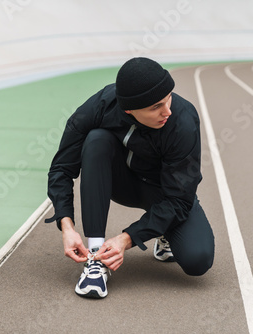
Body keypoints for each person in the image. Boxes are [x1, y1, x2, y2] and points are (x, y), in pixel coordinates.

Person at [45, 57, 215, 299]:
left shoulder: (183, 120)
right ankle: (96, 258)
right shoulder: (100, 106)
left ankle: (164, 231)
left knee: (198, 259)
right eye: (155, 106)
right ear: (129, 110)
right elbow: (61, 167)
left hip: (164, 193)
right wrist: (66, 225)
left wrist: (127, 239)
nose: (167, 111)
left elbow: (179, 198)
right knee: (96, 140)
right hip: (120, 182)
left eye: (168, 98)